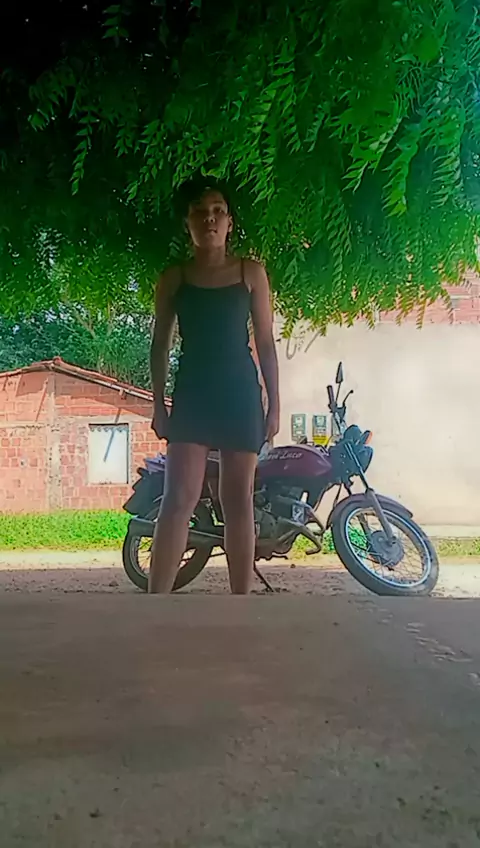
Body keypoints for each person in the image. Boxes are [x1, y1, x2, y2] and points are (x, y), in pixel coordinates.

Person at [149, 182, 280, 594]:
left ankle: (240, 605)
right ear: (187, 223)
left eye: (218, 210)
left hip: (240, 395)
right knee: (178, 498)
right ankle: (153, 605)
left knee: (238, 501)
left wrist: (275, 405)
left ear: (229, 222)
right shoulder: (174, 277)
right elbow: (159, 344)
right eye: (199, 211)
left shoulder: (250, 273)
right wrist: (158, 405)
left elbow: (265, 342)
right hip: (193, 394)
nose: (209, 217)